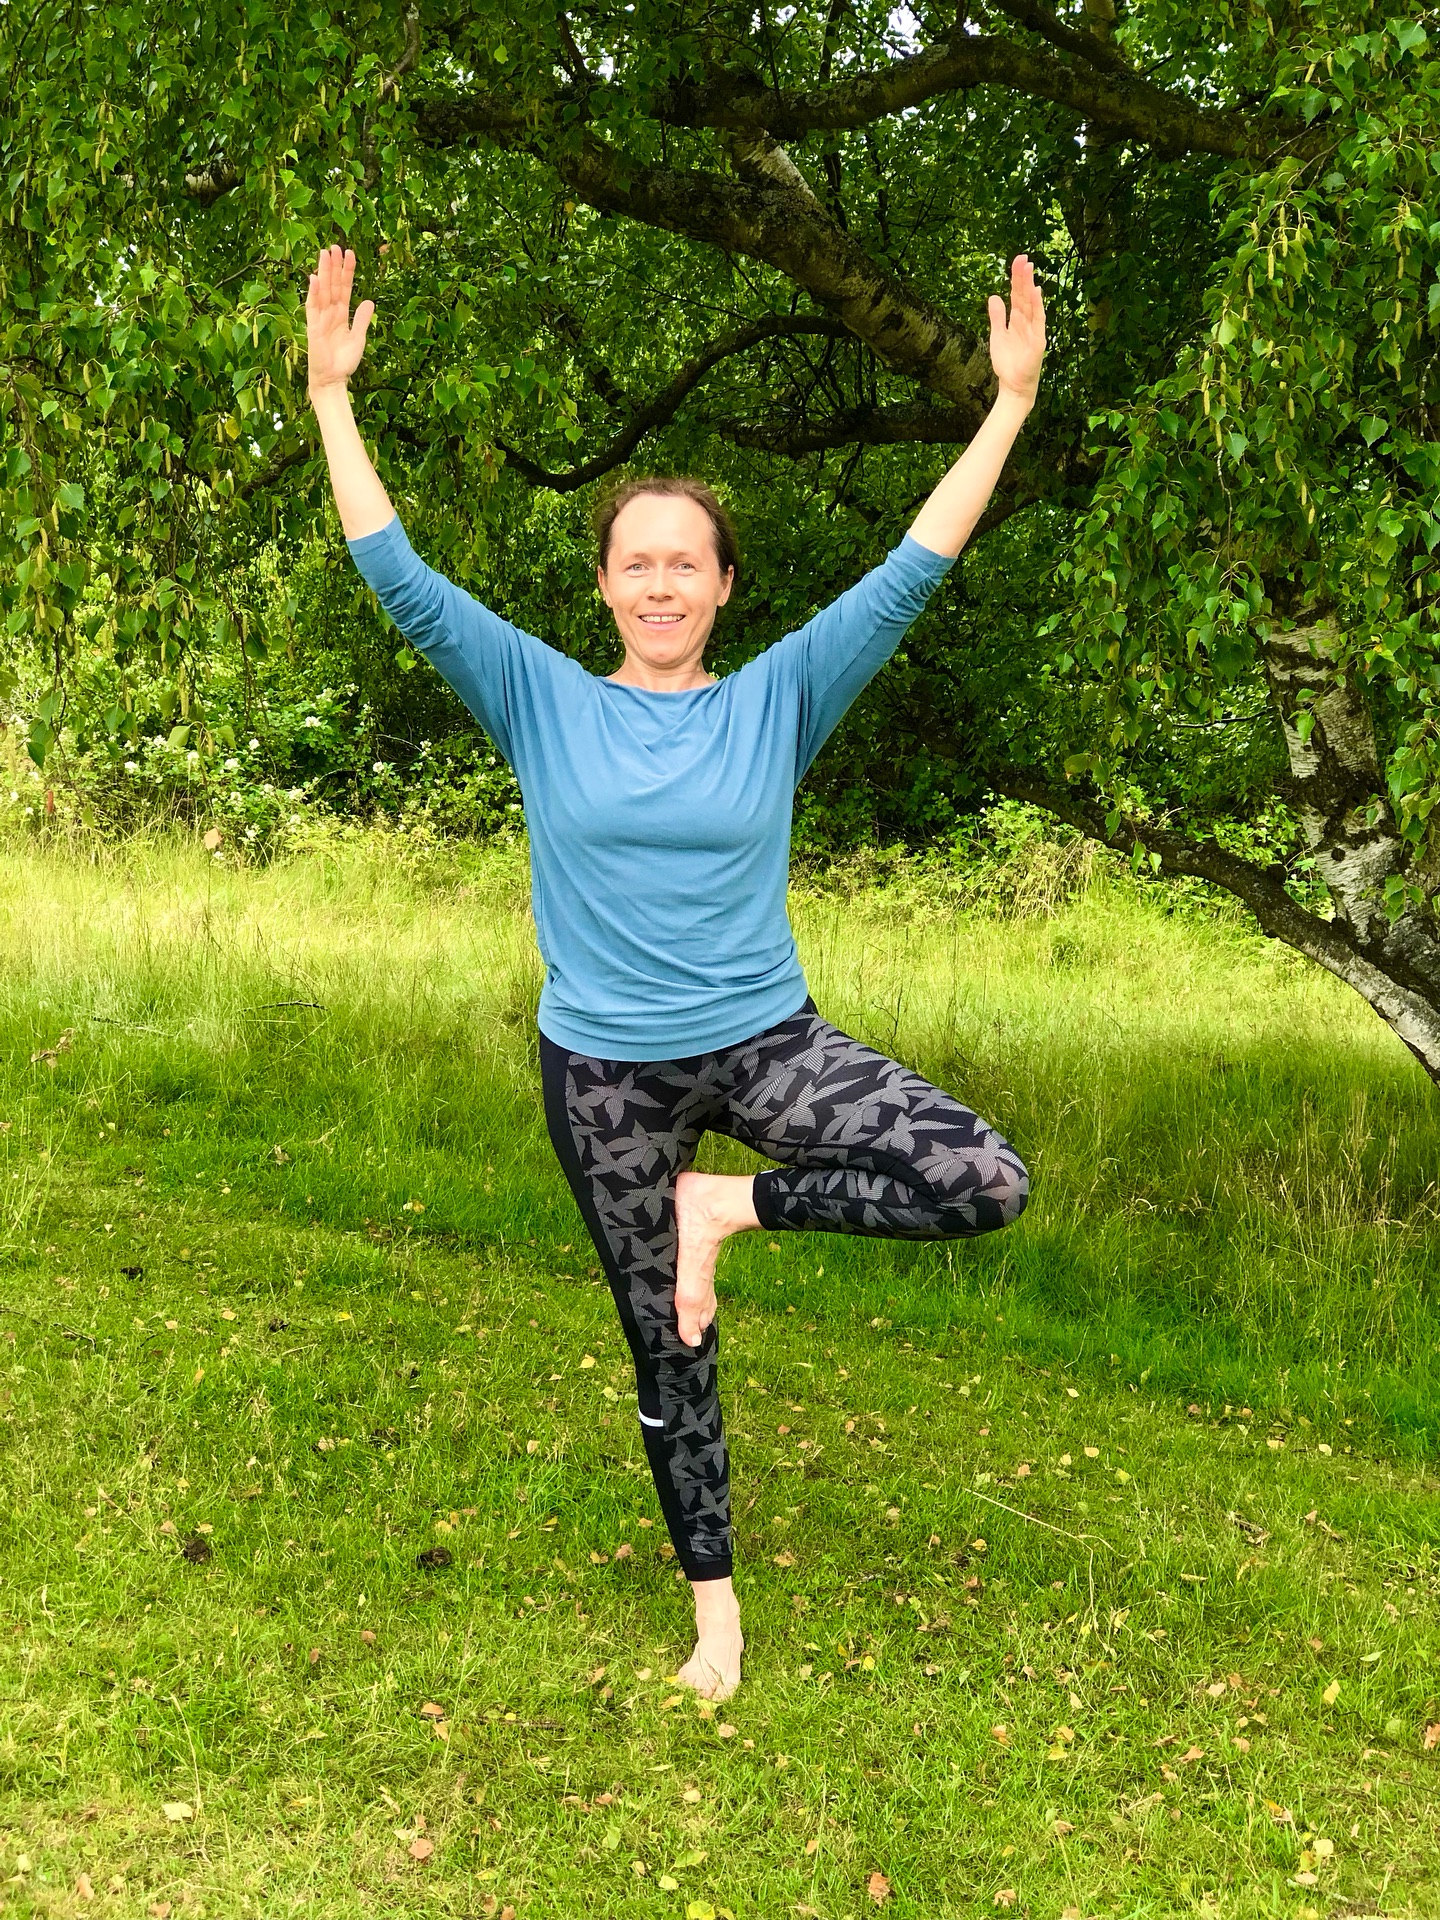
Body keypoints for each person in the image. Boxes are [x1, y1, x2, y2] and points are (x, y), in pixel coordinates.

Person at [306, 242, 1044, 1702]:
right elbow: (399, 576)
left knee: (984, 1179)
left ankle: (728, 1205)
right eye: (636, 561)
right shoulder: (537, 695)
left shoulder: (780, 695)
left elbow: (914, 569)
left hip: (767, 1042)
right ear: (604, 586)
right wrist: (333, 398)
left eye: (684, 563)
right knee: (669, 1346)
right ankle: (716, 1615)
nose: (660, 583)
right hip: (604, 1074)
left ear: (721, 587)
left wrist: (1008, 404)